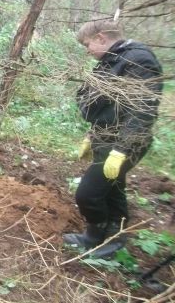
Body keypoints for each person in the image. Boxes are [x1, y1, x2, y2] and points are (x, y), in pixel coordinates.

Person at [63, 20, 163, 258]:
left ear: (101, 38)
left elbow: (142, 109)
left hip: (125, 142)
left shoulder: (138, 60)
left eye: (88, 44)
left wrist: (121, 150)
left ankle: (103, 238)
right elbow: (107, 105)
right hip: (106, 137)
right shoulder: (111, 60)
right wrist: (92, 135)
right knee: (112, 190)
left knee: (87, 193)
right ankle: (101, 239)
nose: (87, 50)